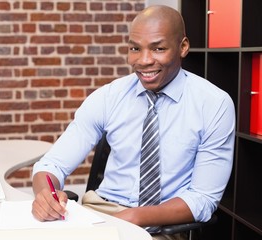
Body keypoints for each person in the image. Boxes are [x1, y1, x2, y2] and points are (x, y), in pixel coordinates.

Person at [31, 5, 235, 240]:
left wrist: (133, 217)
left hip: (163, 224)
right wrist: (45, 194)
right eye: (135, 49)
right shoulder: (109, 96)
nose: (144, 60)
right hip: (101, 212)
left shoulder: (214, 104)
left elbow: (203, 198)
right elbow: (53, 164)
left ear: (183, 47)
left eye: (158, 48)